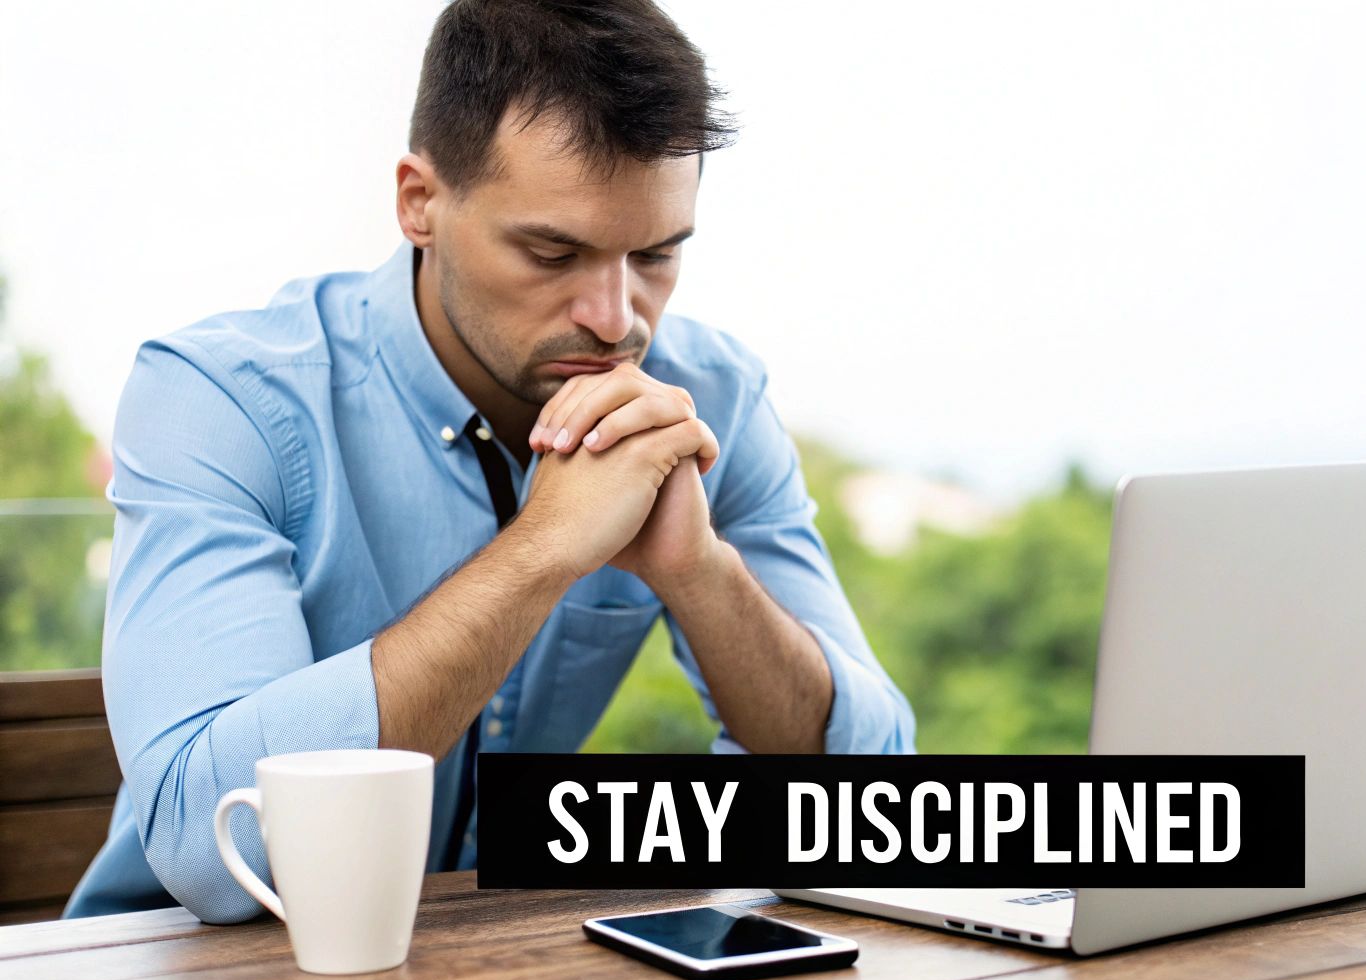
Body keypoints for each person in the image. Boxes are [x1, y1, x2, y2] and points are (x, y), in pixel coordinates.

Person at [65, 0, 915, 922]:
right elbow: (209, 850)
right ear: (419, 203)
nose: (617, 317)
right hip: (183, 976)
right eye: (553, 252)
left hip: (488, 964)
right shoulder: (222, 398)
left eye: (658, 255)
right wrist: (542, 549)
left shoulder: (709, 400)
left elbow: (872, 800)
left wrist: (701, 574)